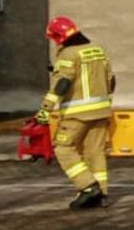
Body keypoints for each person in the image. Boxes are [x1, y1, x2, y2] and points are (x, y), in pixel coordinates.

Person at [38, 16, 115, 209]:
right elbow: (110, 79)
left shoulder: (68, 54)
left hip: (77, 113)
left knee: (63, 148)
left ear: (58, 36)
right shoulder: (97, 49)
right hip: (101, 111)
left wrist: (46, 108)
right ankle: (102, 195)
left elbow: (62, 83)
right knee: (95, 152)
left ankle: (87, 186)